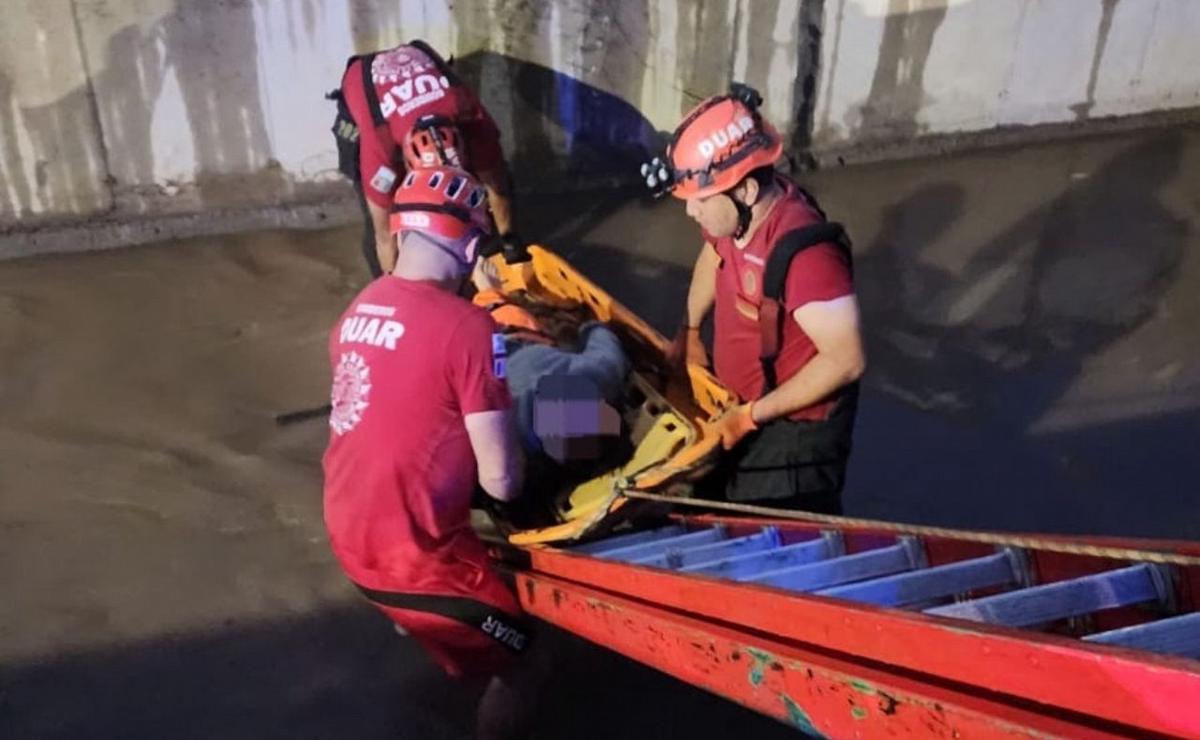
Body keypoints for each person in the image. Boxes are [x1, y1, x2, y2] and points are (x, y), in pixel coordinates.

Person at [322, 166, 541, 739]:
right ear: (470, 247)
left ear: (397, 236)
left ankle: (425, 635)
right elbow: (503, 483)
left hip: (347, 534)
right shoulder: (472, 329)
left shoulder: (357, 309)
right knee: (528, 662)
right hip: (414, 563)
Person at [640, 83, 866, 513]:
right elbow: (713, 254)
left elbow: (846, 360)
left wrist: (750, 417)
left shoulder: (807, 254)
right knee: (708, 507)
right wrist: (689, 330)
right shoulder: (732, 220)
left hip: (792, 440)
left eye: (700, 200)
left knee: (771, 538)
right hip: (739, 409)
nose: (691, 212)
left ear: (744, 190)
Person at [328, 39, 520, 278]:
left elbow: (497, 185)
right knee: (380, 221)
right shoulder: (381, 147)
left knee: (485, 196)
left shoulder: (471, 118)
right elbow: (385, 236)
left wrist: (510, 247)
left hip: (419, 83)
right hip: (365, 92)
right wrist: (397, 291)